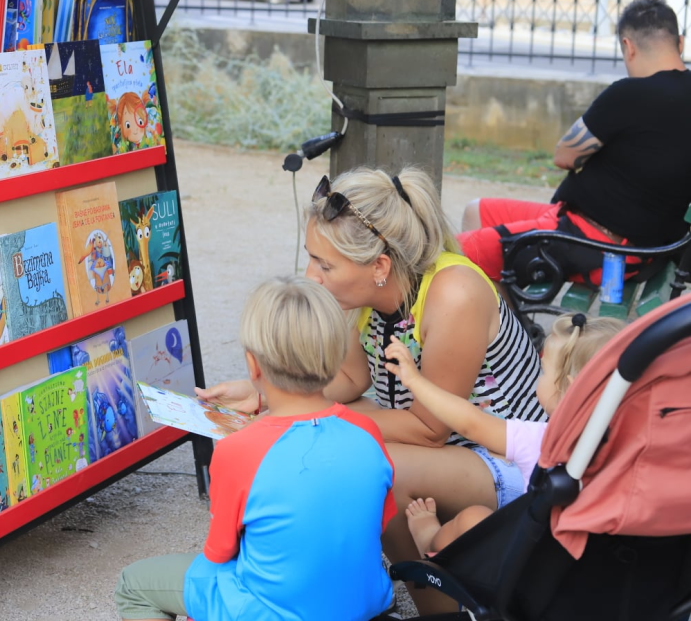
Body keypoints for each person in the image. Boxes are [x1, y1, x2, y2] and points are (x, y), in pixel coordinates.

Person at [197, 166, 545, 613]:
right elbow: (348, 381)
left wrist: (296, 422)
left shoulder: (454, 294)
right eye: (311, 257)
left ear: (379, 266)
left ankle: (438, 610)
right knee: (352, 439)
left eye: (325, 265)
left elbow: (429, 429)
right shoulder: (362, 295)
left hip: (514, 462)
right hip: (454, 453)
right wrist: (266, 394)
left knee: (377, 461)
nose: (311, 275)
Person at [114, 276, 396, 621]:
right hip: (362, 602)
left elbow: (220, 552)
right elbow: (377, 524)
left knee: (133, 585)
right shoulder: (367, 430)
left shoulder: (238, 449)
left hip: (274, 610)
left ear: (253, 365)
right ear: (336, 356)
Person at [458, 0, 691, 284]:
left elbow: (564, 156)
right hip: (613, 238)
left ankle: (502, 313)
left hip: (594, 244)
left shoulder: (629, 94)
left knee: (455, 253)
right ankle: (506, 311)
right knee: (475, 211)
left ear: (628, 46)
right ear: (680, 43)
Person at [383, 313, 624, 556]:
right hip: (592, 562)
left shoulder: (541, 440)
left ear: (571, 390)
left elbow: (470, 422)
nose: (539, 379)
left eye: (544, 372)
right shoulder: (628, 448)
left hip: (529, 557)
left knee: (472, 519)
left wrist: (415, 381)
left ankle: (429, 540)